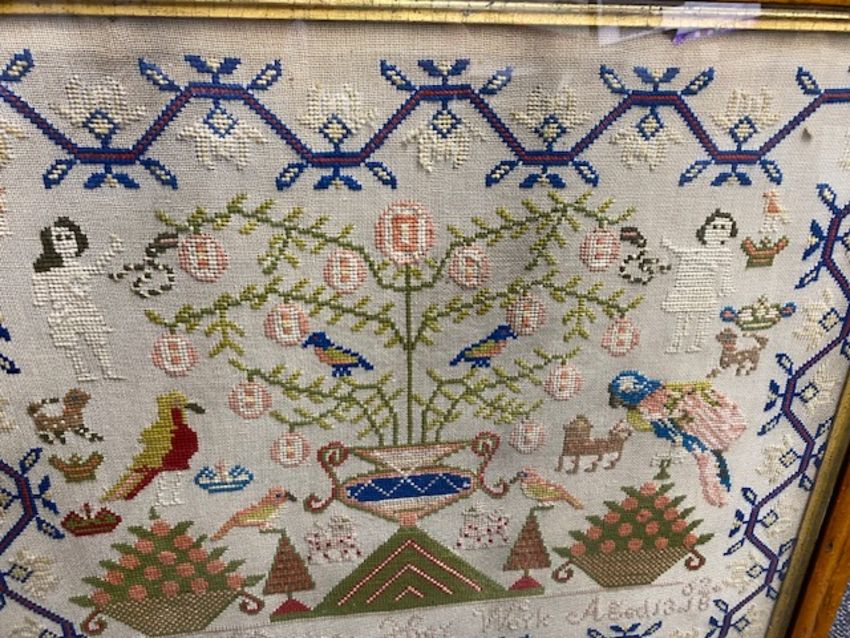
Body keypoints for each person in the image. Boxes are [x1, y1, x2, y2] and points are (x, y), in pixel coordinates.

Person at [32, 217, 123, 381]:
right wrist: (42, 296)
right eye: (59, 238)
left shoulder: (76, 266)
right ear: (51, 244)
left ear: (77, 240)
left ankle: (107, 370)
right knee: (71, 345)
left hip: (84, 310)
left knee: (97, 340)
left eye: (68, 237)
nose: (64, 242)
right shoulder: (50, 270)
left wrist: (112, 251)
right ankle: (81, 372)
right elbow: (41, 287)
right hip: (64, 312)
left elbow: (95, 269)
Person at [661, 210, 737, 353]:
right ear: (706, 229)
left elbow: (725, 272)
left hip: (706, 291)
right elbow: (682, 252)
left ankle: (697, 343)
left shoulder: (724, 253)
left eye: (723, 228)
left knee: (702, 319)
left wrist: (725, 286)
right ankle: (676, 343)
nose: (718, 231)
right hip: (687, 289)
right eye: (715, 227)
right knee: (683, 316)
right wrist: (669, 246)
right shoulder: (698, 250)